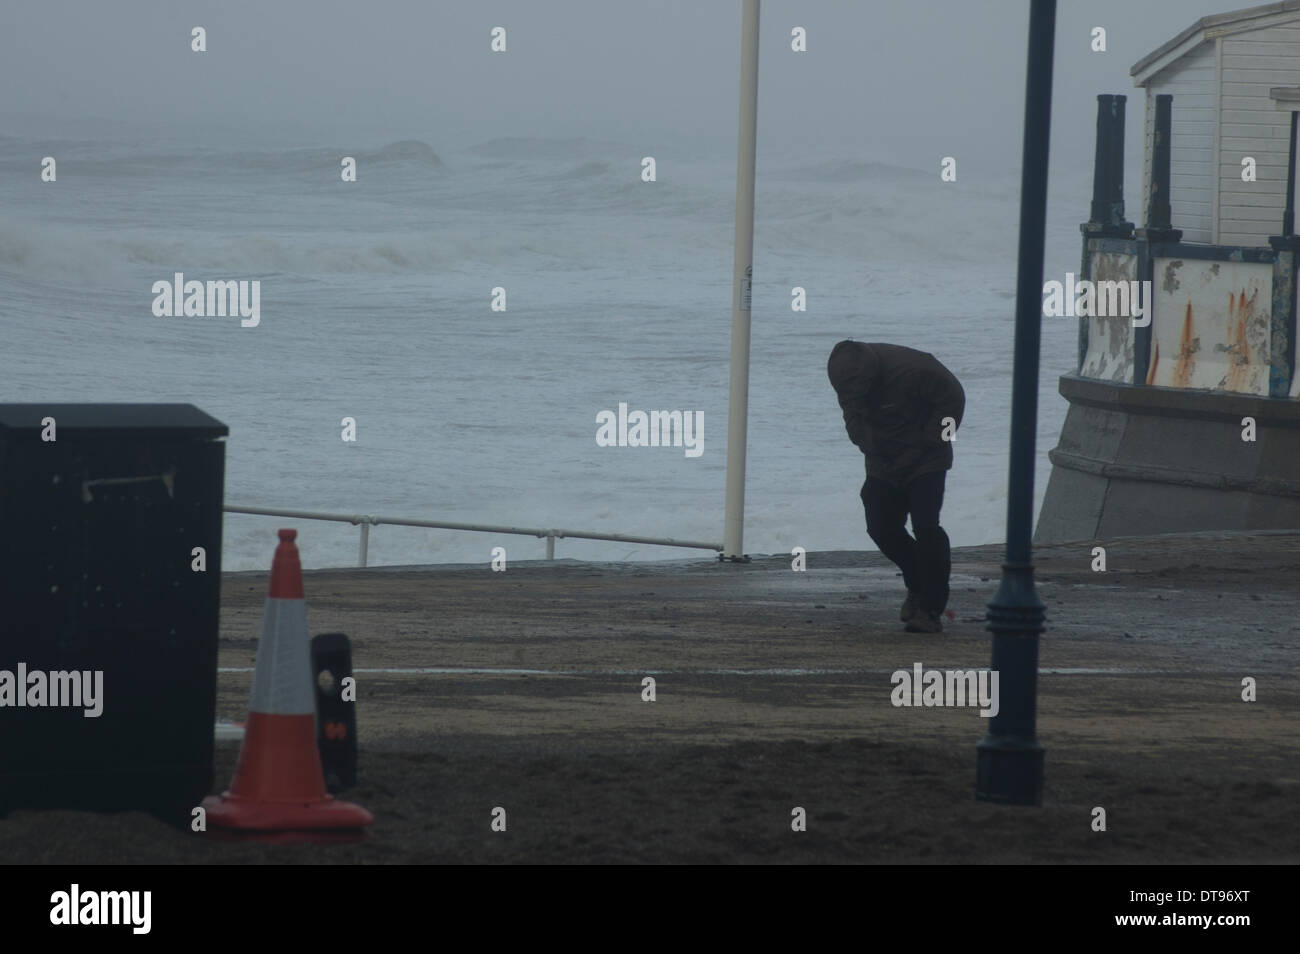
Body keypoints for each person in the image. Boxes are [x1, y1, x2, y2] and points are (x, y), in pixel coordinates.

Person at [827, 340, 965, 633]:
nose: (854, 398)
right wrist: (868, 445)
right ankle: (918, 581)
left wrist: (928, 443)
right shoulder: (846, 379)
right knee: (880, 525)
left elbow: (953, 401)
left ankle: (930, 608)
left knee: (926, 527)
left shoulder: (917, 369)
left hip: (927, 458)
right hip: (882, 461)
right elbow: (853, 419)